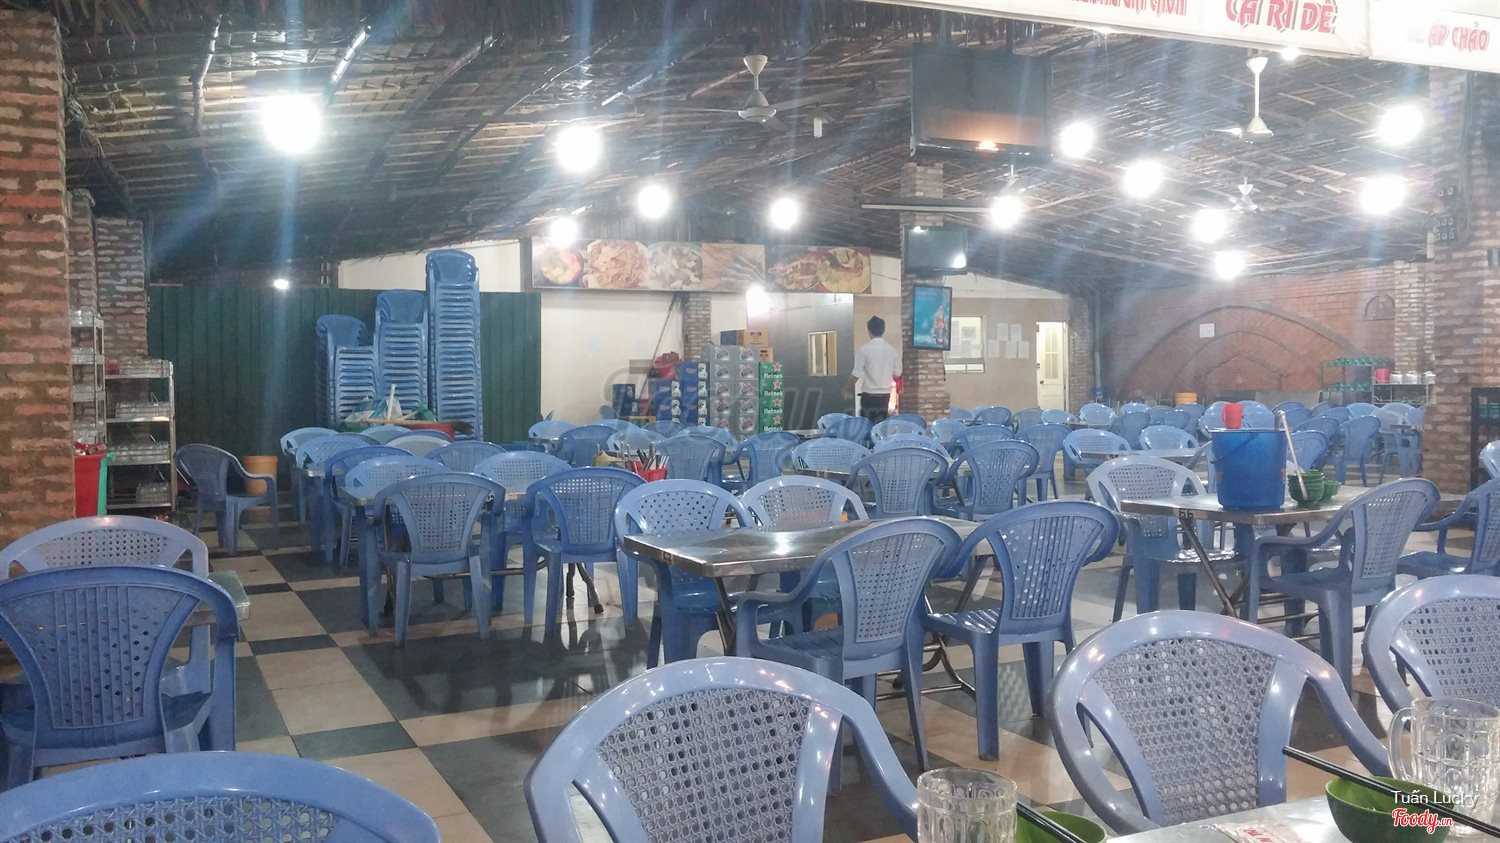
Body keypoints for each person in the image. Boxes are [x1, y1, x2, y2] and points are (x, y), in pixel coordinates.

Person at [844, 315, 901, 424]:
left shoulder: (864, 350)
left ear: (869, 331)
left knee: (867, 426)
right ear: (883, 330)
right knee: (881, 427)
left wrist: (847, 388)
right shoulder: (892, 351)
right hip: (885, 397)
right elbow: (897, 374)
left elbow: (856, 373)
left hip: (869, 397)